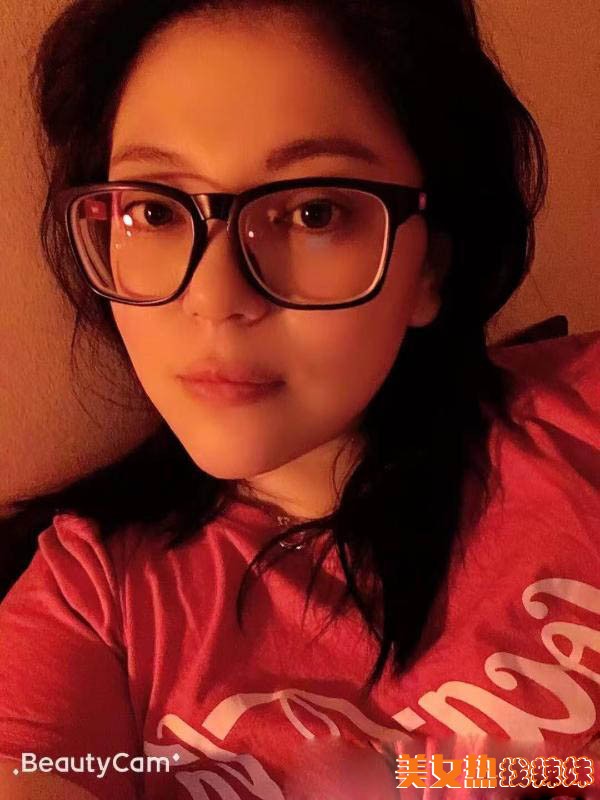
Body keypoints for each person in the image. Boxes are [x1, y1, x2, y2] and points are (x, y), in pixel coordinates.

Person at [0, 0, 598, 797]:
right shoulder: (91, 603)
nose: (215, 299)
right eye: (153, 210)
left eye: (314, 212)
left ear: (431, 266)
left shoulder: (581, 422)